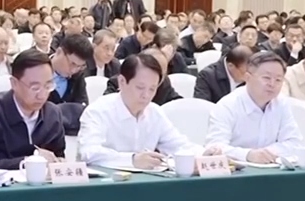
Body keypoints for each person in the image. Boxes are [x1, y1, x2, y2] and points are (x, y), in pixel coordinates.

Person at [79, 54, 219, 168]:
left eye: (152, 89)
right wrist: (132, 160)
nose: (146, 95)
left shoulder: (154, 112)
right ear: (122, 82)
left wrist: (204, 154)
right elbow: (88, 153)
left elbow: (178, 145)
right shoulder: (98, 111)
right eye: (140, 87)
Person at [0, 49, 66, 169]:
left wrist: (60, 162)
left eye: (48, 86)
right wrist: (28, 162)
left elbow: (58, 156)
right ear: (14, 83)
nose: (42, 95)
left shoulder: (52, 114)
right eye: (35, 88)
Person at [205, 52, 305, 163]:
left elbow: (294, 142)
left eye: (278, 80)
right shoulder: (227, 105)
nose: (272, 84)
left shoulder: (281, 103)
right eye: (266, 78)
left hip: (272, 167)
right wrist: (247, 155)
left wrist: (266, 153)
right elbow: (214, 147)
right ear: (247, 77)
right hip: (236, 170)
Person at [47, 33, 93, 105]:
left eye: (80, 66)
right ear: (59, 52)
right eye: (72, 64)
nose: (73, 70)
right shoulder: (36, 68)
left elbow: (81, 105)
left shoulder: (78, 75)